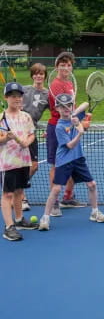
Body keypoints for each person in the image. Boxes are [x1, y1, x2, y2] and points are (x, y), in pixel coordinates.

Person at [38, 94, 104, 231]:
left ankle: (95, 212)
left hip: (78, 159)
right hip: (64, 160)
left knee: (92, 184)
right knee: (57, 189)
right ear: (57, 108)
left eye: (68, 105)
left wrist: (74, 114)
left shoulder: (74, 116)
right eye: (62, 106)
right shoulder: (59, 127)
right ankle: (45, 218)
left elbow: (86, 105)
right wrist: (80, 132)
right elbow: (70, 145)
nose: (66, 108)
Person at [46, 52, 85, 215]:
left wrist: (80, 118)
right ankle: (54, 203)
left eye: (69, 65)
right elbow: (63, 110)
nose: (66, 68)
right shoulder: (55, 85)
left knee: (71, 162)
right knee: (57, 164)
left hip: (70, 126)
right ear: (57, 67)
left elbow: (72, 110)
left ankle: (67, 197)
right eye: (62, 65)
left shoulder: (69, 84)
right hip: (58, 127)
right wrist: (78, 116)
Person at [0, 82, 38, 241]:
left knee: (19, 192)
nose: (17, 99)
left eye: (19, 96)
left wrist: (27, 142)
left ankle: (19, 219)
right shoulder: (2, 118)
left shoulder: (26, 116)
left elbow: (31, 134)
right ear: (6, 98)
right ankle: (9, 227)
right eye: (13, 96)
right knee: (7, 194)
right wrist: (5, 138)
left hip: (23, 161)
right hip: (8, 163)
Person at [20, 63, 50, 211]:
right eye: (36, 73)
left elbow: (55, 114)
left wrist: (50, 129)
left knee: (34, 166)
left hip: (31, 133)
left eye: (41, 74)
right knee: (18, 165)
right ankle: (22, 197)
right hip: (18, 132)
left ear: (45, 76)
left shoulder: (48, 94)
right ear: (32, 75)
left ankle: (18, 186)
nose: (38, 76)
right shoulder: (23, 90)